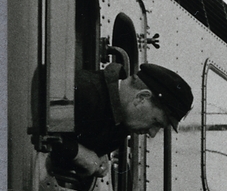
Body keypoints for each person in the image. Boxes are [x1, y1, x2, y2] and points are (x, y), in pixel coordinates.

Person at [51, 57, 193, 177]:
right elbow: (40, 126)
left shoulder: (119, 126)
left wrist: (98, 156)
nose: (152, 133)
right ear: (142, 97)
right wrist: (76, 152)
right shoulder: (81, 89)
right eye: (156, 122)